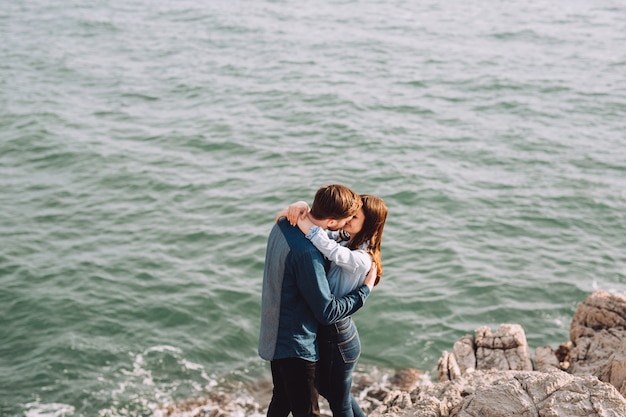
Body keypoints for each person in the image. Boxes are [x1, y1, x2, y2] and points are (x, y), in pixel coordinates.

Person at [259, 184, 378, 417]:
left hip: (274, 333)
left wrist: (300, 206)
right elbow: (327, 311)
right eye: (346, 220)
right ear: (332, 222)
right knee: (308, 412)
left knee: (281, 401)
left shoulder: (284, 224)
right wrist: (364, 291)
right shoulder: (308, 253)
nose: (346, 225)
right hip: (297, 343)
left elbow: (327, 239)